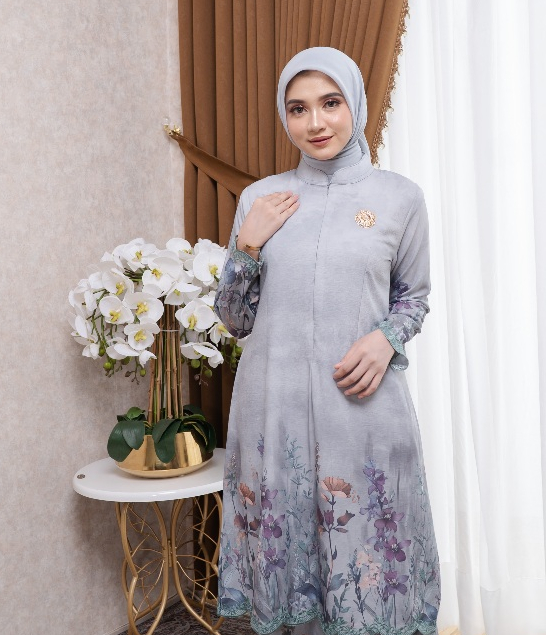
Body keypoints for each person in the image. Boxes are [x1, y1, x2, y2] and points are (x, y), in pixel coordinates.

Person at [213, 46, 441, 635]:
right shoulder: (260, 199)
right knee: (292, 575)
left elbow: (413, 296)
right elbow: (235, 320)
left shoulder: (399, 197)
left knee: (367, 563)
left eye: (330, 103)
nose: (315, 123)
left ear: (354, 105)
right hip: (274, 407)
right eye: (298, 108)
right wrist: (248, 245)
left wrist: (386, 339)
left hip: (359, 406)